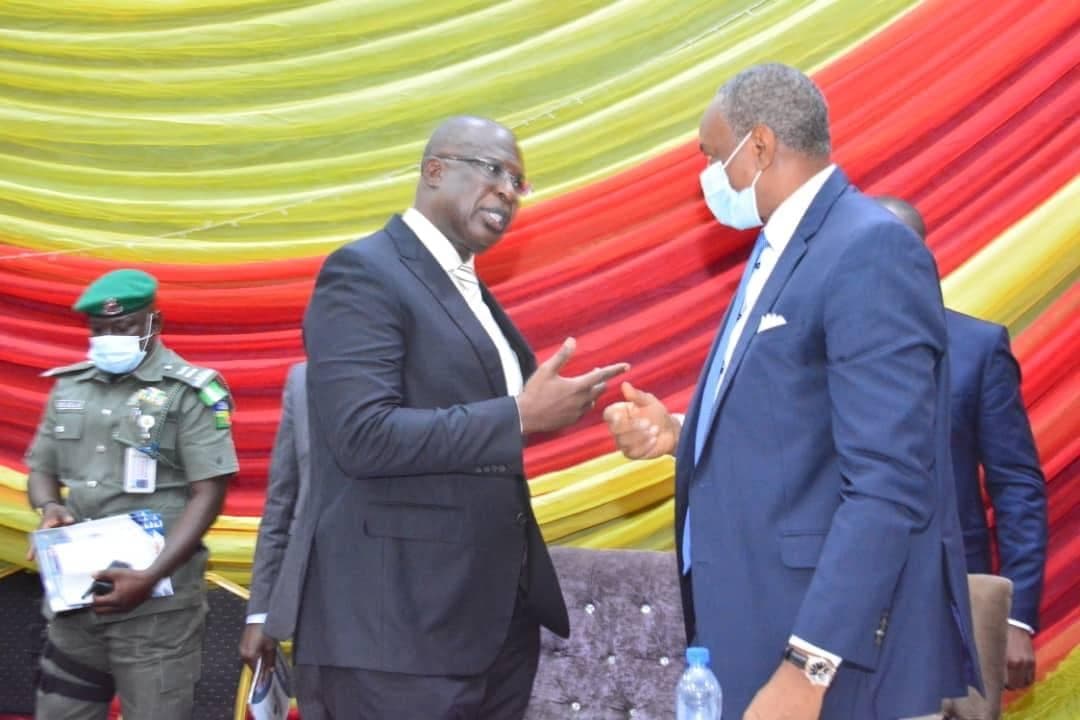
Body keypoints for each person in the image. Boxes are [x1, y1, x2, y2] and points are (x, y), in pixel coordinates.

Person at [602, 64, 980, 719]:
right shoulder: (779, 246)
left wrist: (810, 664)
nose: (709, 178)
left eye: (713, 156)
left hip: (827, 648)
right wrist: (681, 434)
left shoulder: (868, 248)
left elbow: (890, 480)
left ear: (760, 146)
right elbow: (802, 423)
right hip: (751, 620)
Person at [264, 116, 629, 719]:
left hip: (488, 625)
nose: (508, 191)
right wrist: (517, 416)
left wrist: (553, 411)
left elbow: (477, 426)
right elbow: (363, 436)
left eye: (518, 180)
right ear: (435, 171)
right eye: (493, 171)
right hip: (397, 634)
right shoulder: (364, 273)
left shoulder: (469, 289)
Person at [25, 268, 238, 720]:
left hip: (157, 610)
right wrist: (50, 508)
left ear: (153, 324)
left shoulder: (191, 391)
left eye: (123, 328)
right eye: (100, 330)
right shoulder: (70, 387)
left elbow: (209, 494)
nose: (110, 338)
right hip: (76, 603)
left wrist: (150, 575)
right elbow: (41, 470)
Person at [878, 196, 1047, 691]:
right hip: (844, 601)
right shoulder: (821, 349)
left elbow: (1017, 486)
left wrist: (1015, 619)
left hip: (954, 600)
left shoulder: (977, 348)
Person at [237, 361, 328, 718]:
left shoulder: (430, 372)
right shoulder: (304, 379)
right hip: (316, 614)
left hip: (408, 623)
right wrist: (261, 613)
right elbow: (281, 504)